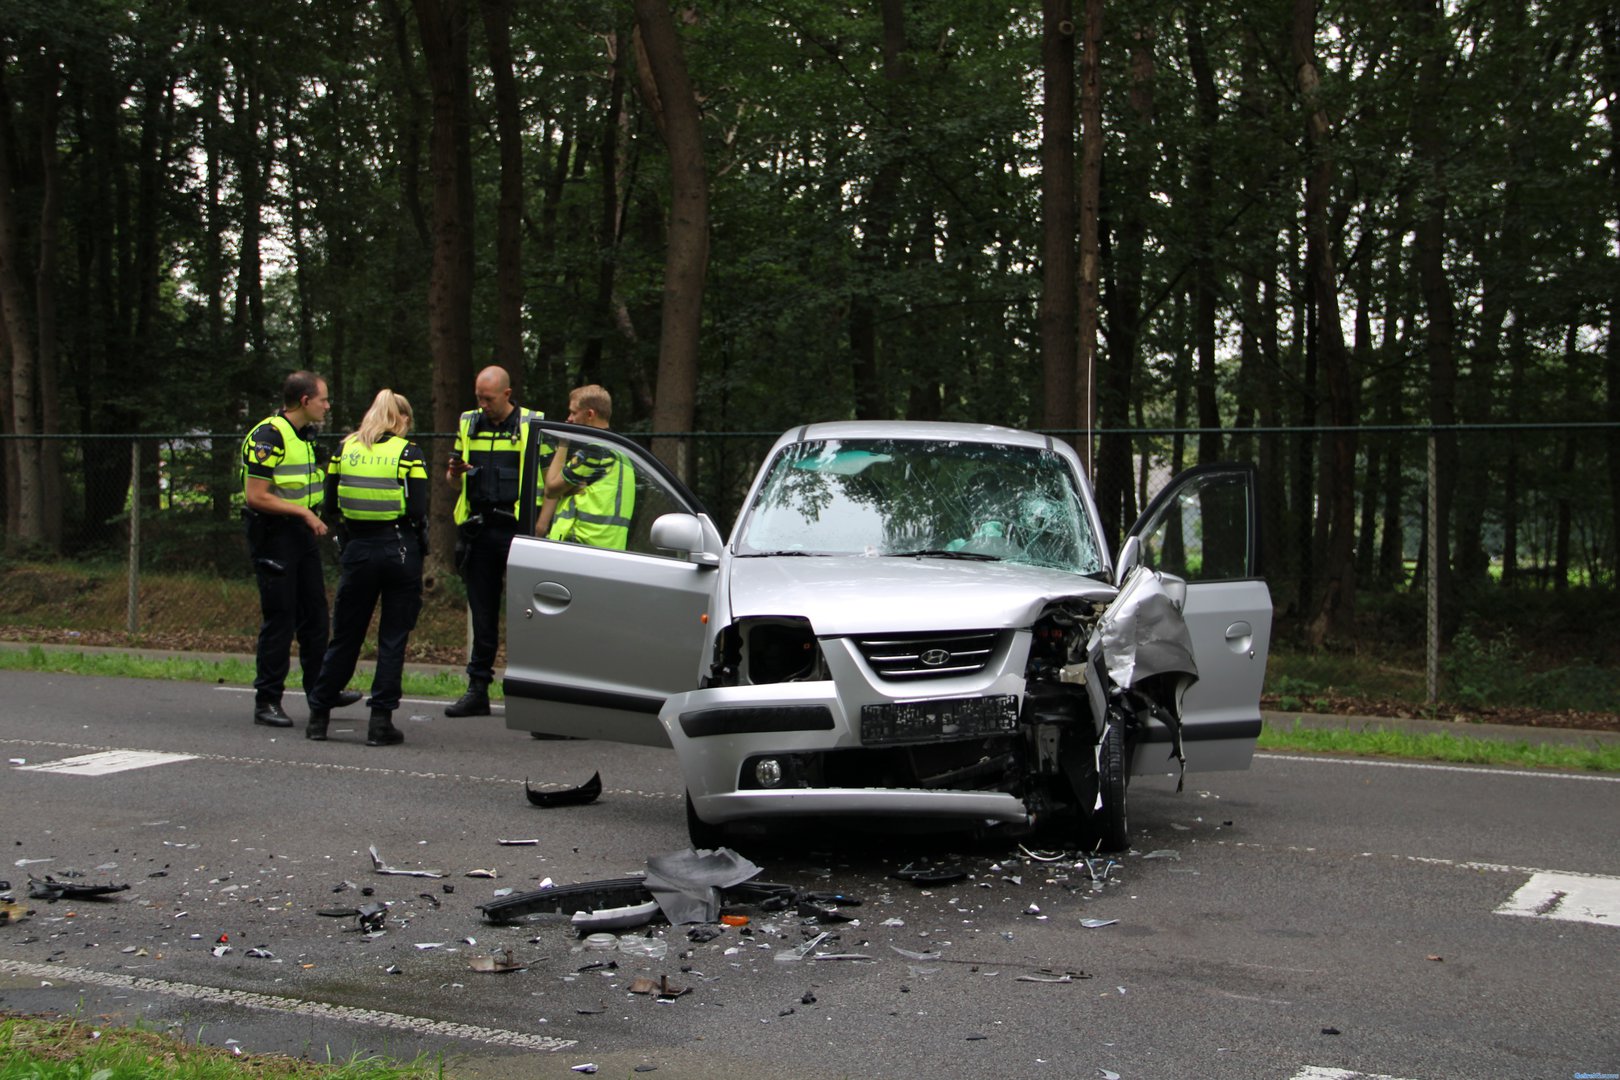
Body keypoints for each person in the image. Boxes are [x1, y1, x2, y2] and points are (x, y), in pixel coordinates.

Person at [305, 390, 429, 747]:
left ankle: (318, 716)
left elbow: (330, 504)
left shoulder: (344, 450)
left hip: (357, 549)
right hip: (398, 549)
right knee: (392, 638)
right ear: (401, 419)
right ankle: (380, 723)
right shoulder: (408, 454)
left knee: (345, 635)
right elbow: (417, 510)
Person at [241, 371, 360, 728]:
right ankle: (267, 700)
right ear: (305, 401)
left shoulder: (304, 436)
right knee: (280, 617)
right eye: (323, 399)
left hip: (301, 533)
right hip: (274, 534)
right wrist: (303, 513)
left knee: (315, 615)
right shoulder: (268, 436)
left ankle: (320, 692)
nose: (327, 405)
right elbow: (256, 496)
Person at [443, 366, 546, 717]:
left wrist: (540, 526)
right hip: (479, 528)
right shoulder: (468, 422)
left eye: (488, 398)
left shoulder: (533, 424)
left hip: (518, 529)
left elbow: (550, 479)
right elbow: (454, 482)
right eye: (478, 397)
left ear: (507, 393)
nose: (482, 404)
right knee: (482, 612)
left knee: (528, 613)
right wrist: (454, 474)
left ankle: (531, 691)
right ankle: (477, 689)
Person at [541, 384, 636, 549]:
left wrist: (564, 442)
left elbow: (551, 489)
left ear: (590, 414)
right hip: (608, 547)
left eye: (573, 412)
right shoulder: (622, 452)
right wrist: (570, 488)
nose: (569, 419)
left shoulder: (595, 451)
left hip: (581, 545)